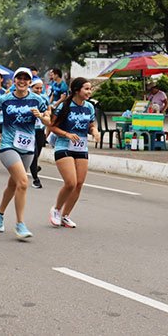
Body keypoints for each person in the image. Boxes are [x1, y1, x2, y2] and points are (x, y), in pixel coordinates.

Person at [0, 68, 50, 240]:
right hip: (8, 145)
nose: (22, 81)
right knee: (23, 182)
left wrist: (41, 117)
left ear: (30, 82)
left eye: (26, 79)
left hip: (28, 147)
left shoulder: (37, 100)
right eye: (19, 78)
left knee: (13, 184)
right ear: (14, 81)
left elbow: (48, 119)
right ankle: (20, 224)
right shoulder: (5, 99)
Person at [48, 77, 100, 228]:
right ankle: (56, 209)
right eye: (86, 89)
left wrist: (95, 131)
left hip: (81, 147)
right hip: (64, 146)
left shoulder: (89, 107)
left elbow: (91, 125)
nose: (89, 92)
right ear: (77, 90)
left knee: (79, 184)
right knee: (70, 183)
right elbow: (52, 127)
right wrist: (67, 134)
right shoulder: (64, 106)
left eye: (90, 89)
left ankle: (65, 216)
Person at [29, 79, 50, 188]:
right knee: (34, 153)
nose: (39, 90)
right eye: (36, 88)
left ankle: (33, 166)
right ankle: (35, 179)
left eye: (41, 88)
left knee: (37, 153)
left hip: (40, 129)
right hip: (30, 130)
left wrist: (43, 115)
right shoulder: (27, 98)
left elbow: (48, 111)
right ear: (31, 87)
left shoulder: (44, 98)